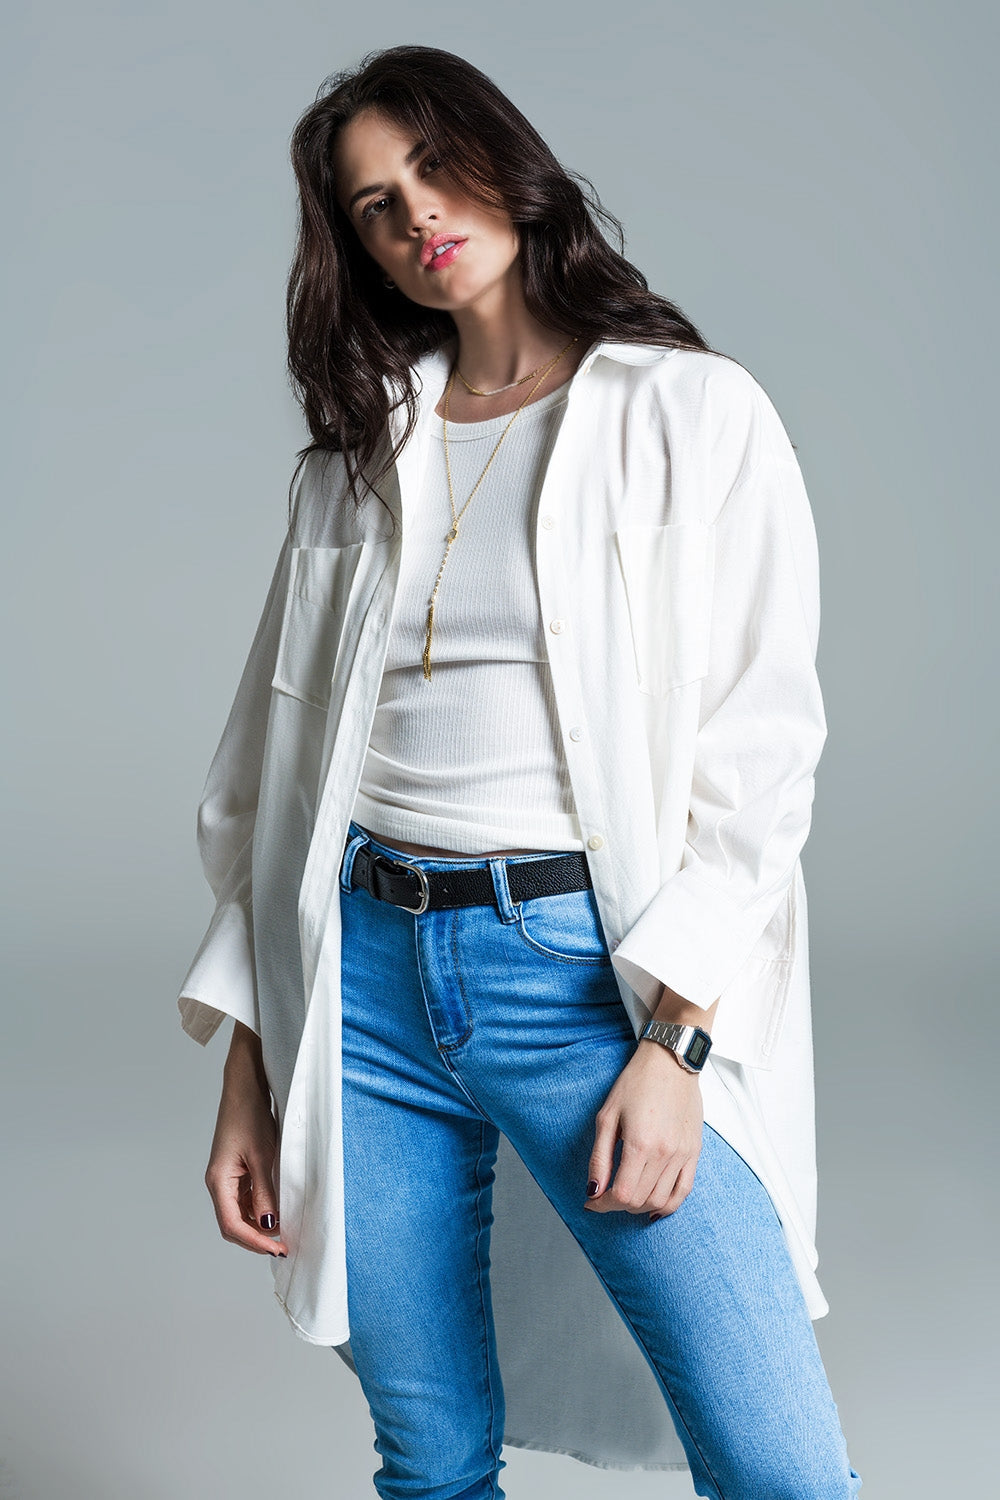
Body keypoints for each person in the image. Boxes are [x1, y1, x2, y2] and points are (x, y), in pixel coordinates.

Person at [176, 42, 863, 1500]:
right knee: (428, 1460)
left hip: (578, 975)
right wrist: (254, 1063)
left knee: (779, 1468)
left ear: (506, 158)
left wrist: (675, 1047)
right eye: (372, 205)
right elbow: (274, 776)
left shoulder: (687, 413)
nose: (415, 215)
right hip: (359, 983)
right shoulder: (356, 459)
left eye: (432, 167)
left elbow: (762, 758)